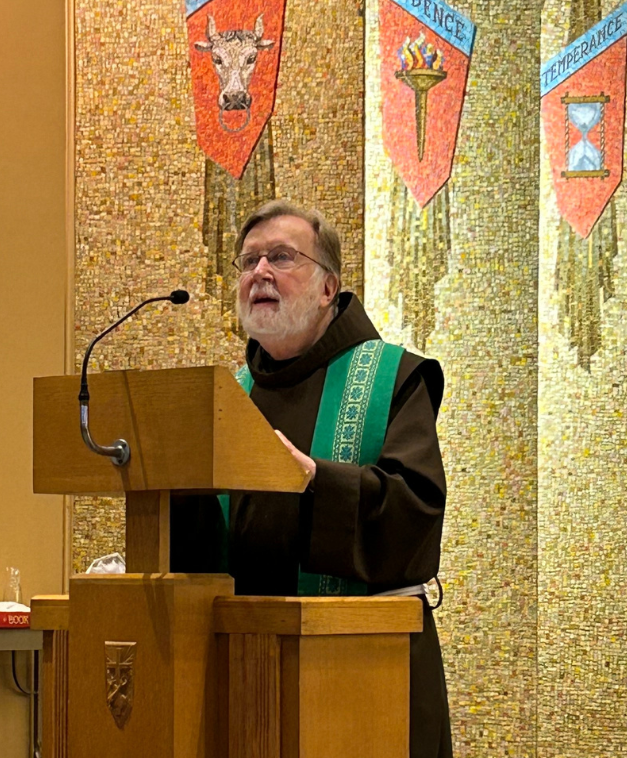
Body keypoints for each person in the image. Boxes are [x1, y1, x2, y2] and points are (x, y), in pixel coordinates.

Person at [171, 199, 452, 758]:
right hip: (246, 679)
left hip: (371, 673)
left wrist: (315, 481)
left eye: (281, 257)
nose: (260, 274)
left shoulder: (393, 376)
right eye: (248, 262)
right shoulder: (229, 400)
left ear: (329, 288)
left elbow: (416, 514)